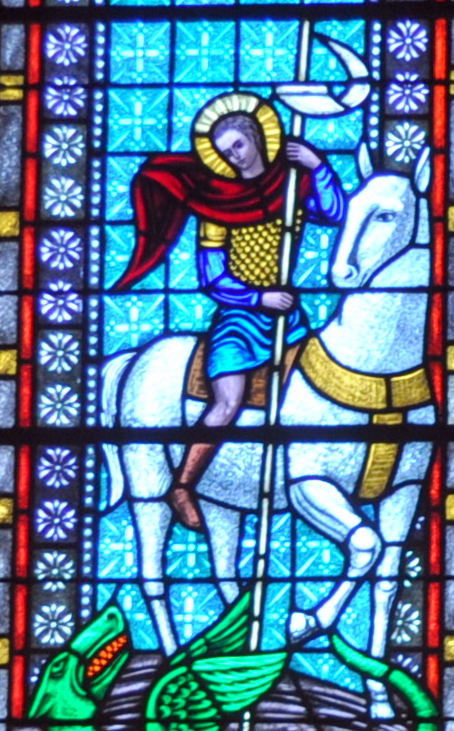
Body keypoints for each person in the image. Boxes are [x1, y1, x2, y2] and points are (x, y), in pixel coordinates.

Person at [108, 90, 347, 527]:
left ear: (257, 138)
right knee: (228, 401)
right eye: (225, 151)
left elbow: (334, 212)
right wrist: (259, 298)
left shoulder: (290, 188)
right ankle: (183, 485)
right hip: (239, 320)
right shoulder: (218, 205)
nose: (234, 156)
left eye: (238, 144)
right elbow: (212, 277)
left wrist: (318, 166)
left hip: (289, 319)